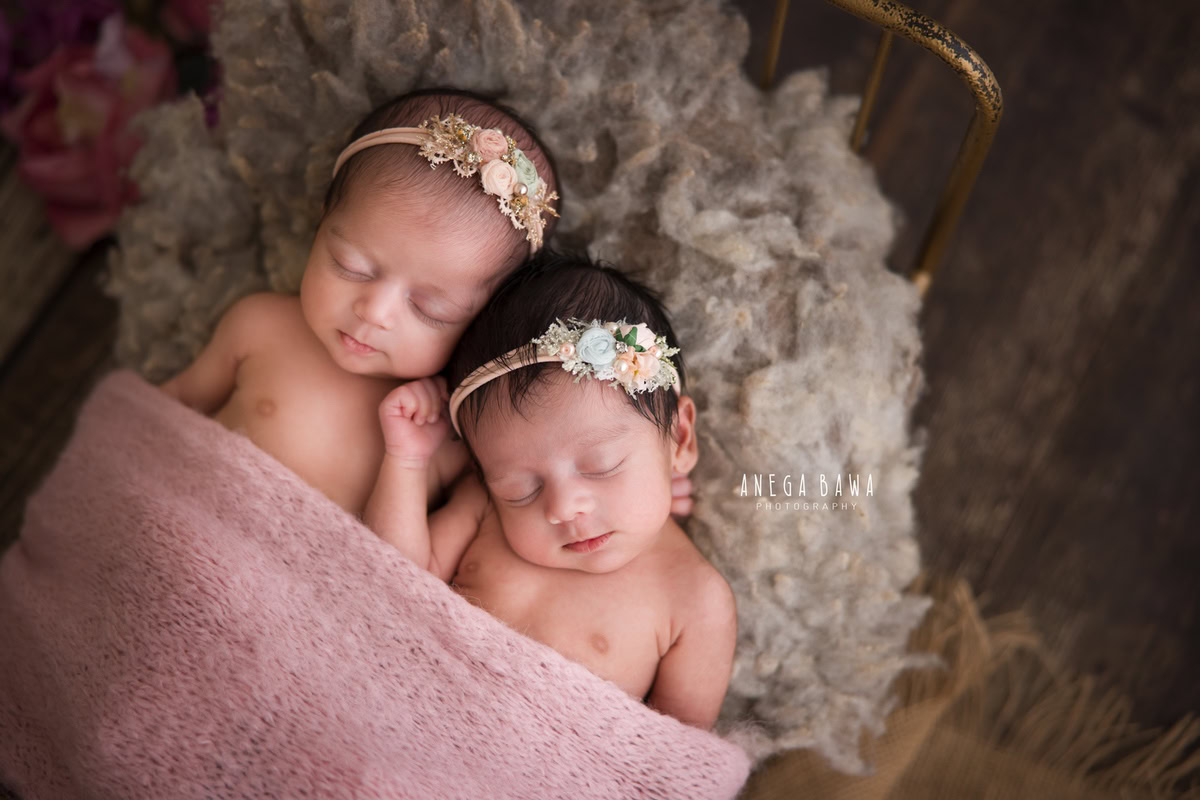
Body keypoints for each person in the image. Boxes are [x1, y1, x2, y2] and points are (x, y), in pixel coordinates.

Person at [366, 253, 736, 729]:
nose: (563, 507)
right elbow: (388, 581)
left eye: (602, 467)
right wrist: (406, 461)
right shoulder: (486, 513)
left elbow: (675, 760)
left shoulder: (696, 599)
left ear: (680, 439)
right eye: (520, 490)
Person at [159, 88, 559, 514]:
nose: (374, 312)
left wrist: (408, 460)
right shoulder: (260, 325)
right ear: (322, 221)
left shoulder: (447, 432)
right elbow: (165, 411)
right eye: (351, 266)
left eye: (430, 309)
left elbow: (400, 566)